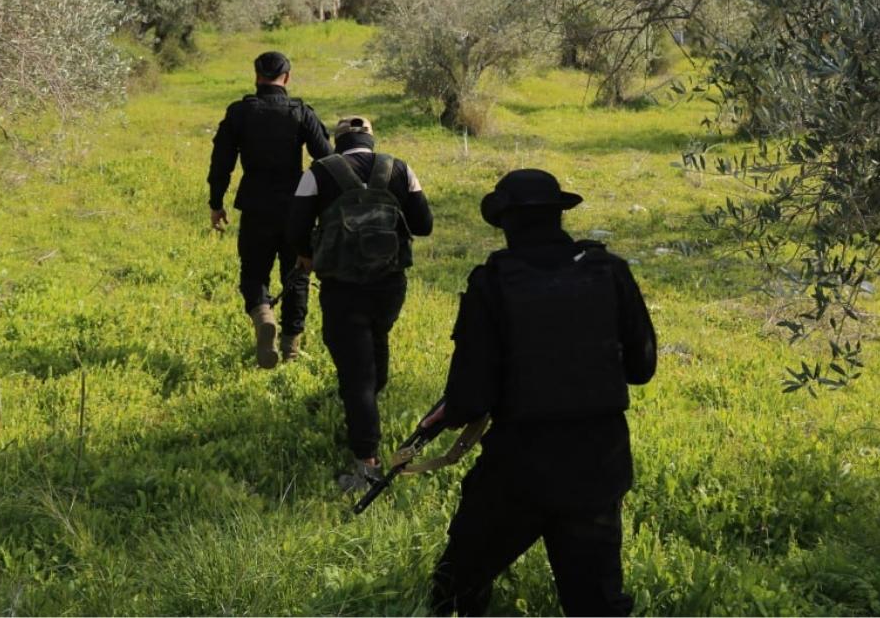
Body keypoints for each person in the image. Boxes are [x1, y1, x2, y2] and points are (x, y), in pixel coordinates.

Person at [426, 169, 657, 617]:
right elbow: (641, 369)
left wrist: (451, 412)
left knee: (456, 590)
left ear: (506, 222)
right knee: (598, 605)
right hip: (598, 461)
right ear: (558, 217)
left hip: (520, 467)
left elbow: (472, 396)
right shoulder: (609, 272)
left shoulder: (491, 283)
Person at [286, 116, 434, 490]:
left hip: (342, 285)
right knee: (374, 343)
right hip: (389, 284)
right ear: (370, 139)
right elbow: (423, 225)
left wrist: (306, 255)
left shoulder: (318, 172)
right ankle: (365, 408)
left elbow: (295, 228)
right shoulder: (399, 168)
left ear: (338, 142)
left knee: (356, 375)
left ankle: (366, 464)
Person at [207, 51, 333, 369]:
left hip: (255, 206)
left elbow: (221, 161)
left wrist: (216, 203)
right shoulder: (300, 112)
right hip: (296, 208)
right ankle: (290, 348)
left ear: (256, 76)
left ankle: (263, 314)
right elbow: (327, 158)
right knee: (297, 276)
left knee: (253, 274)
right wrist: (325, 201)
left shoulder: (239, 113)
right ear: (287, 78)